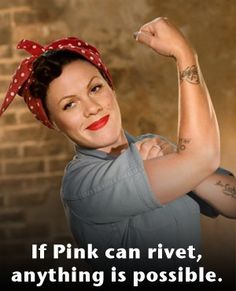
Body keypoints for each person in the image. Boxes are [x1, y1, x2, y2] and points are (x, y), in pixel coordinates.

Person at [1, 17, 236, 288]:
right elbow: (201, 158)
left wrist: (177, 156)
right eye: (69, 105)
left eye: (95, 88)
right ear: (52, 122)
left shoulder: (154, 146)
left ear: (110, 86)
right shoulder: (84, 186)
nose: (91, 108)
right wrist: (185, 54)